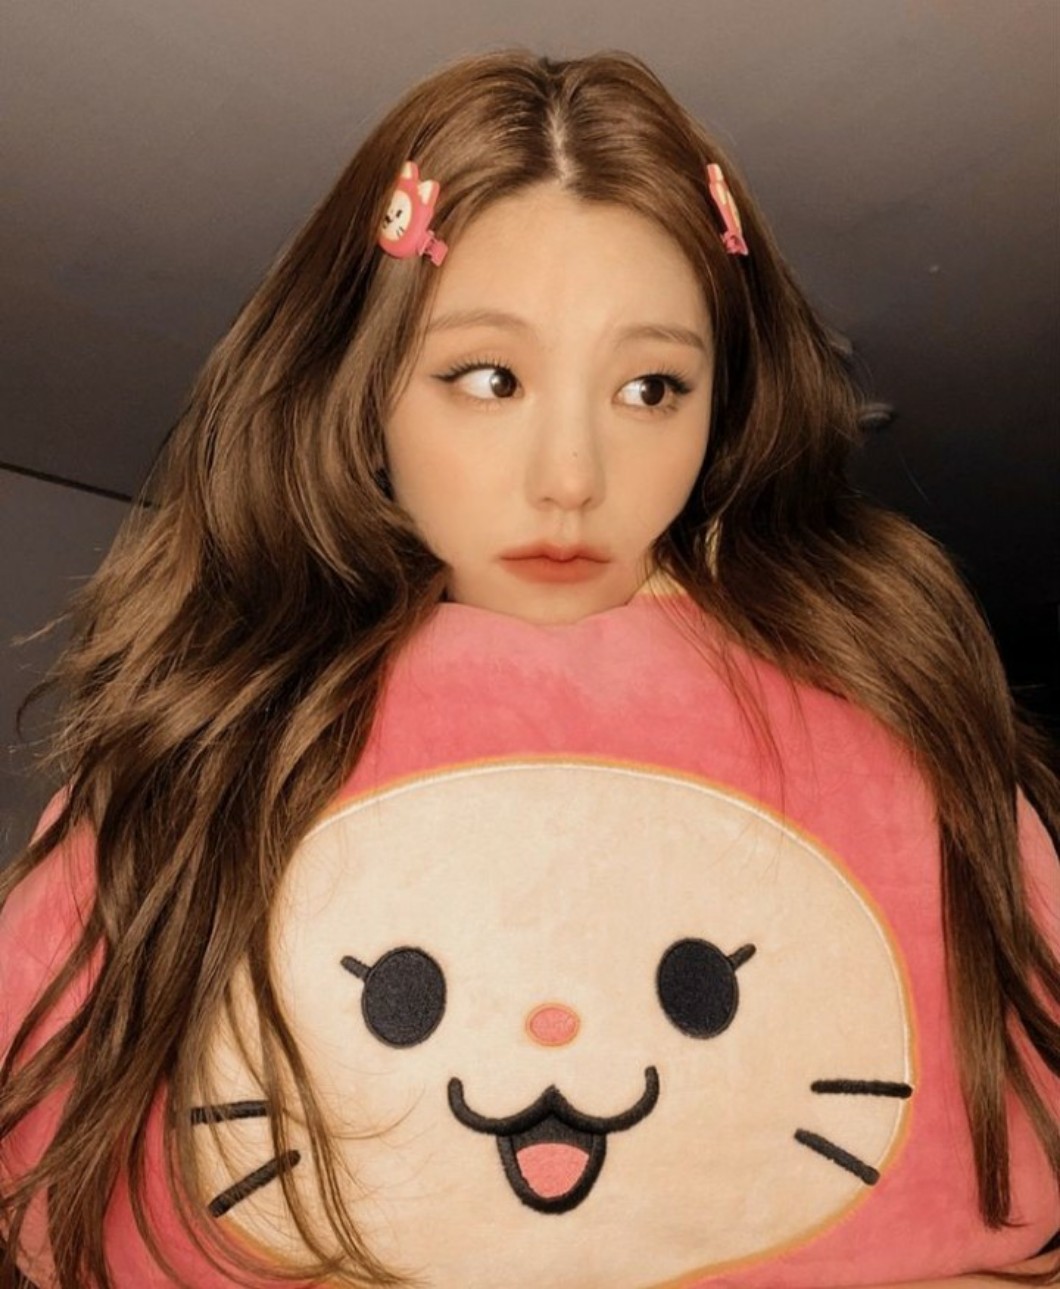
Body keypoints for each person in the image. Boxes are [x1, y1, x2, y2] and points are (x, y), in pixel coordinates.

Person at [1, 46, 1058, 1289]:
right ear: (365, 389)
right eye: (488, 377)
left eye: (651, 387)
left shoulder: (876, 695)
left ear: (722, 407)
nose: (572, 477)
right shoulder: (216, 730)